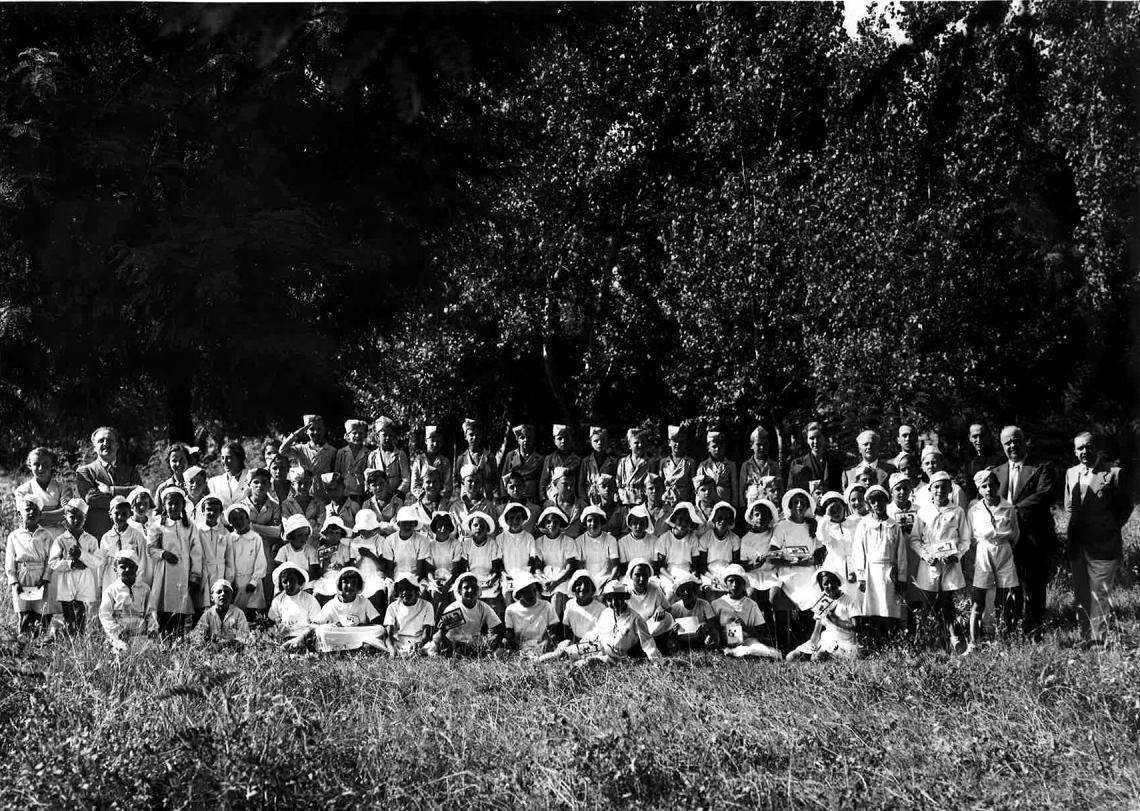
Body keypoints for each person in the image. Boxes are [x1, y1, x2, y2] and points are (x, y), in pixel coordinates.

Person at [1064, 432, 1132, 645]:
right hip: (1078, 545)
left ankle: (1098, 640)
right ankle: (1085, 637)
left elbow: (1125, 508)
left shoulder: (1114, 473)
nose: (1084, 452)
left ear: (1097, 448)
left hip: (1104, 545)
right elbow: (1068, 506)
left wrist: (1108, 528)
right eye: (1080, 448)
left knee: (1099, 594)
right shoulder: (1071, 473)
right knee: (1082, 593)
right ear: (1075, 451)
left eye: (1089, 447)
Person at [991, 426, 1056, 638]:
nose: (1013, 445)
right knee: (1011, 587)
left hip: (1035, 537)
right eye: (1008, 443)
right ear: (1002, 446)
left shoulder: (1041, 467)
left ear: (1024, 441)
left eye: (1016, 440)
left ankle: (1035, 632)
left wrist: (1012, 511)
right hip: (1007, 541)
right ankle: (1013, 630)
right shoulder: (996, 472)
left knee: (1036, 587)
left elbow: (1043, 495)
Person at [909, 471, 972, 651]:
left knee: (947, 601)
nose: (940, 491)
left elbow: (965, 539)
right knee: (929, 602)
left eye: (944, 487)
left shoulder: (957, 511)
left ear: (950, 489)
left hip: (949, 563)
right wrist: (926, 555)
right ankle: (930, 638)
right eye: (936, 487)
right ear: (930, 489)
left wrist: (957, 555)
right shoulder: (923, 512)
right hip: (929, 563)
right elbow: (915, 539)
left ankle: (954, 637)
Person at [539, 579, 661, 665]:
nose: (613, 603)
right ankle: (536, 661)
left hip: (615, 657)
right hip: (598, 646)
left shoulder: (636, 619)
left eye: (617, 598)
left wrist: (658, 663)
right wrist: (581, 644)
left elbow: (648, 644)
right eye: (610, 600)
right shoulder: (607, 613)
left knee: (582, 665)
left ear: (624, 598)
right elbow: (595, 631)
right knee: (565, 653)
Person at [967, 468, 1020, 650]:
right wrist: (984, 548)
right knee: (978, 599)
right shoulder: (974, 510)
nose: (988, 489)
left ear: (998, 486)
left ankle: (1001, 641)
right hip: (983, 551)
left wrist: (1003, 545)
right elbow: (971, 537)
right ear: (979, 489)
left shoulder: (1008, 507)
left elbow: (1015, 534)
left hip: (1004, 551)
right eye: (984, 486)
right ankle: (973, 643)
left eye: (992, 485)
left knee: (1004, 601)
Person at [851, 485, 907, 646]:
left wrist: (901, 577)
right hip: (871, 571)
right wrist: (861, 576)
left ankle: (890, 642)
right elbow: (858, 551)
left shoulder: (893, 525)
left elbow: (901, 553)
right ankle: (873, 643)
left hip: (889, 571)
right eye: (873, 501)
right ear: (868, 504)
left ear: (886, 501)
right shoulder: (864, 524)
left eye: (880, 500)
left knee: (889, 608)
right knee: (872, 608)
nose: (877, 505)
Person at [146, 485, 203, 637]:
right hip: (165, 571)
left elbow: (196, 552)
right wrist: (163, 553)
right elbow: (150, 549)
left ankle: (178, 640)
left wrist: (194, 575)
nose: (173, 506)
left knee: (180, 608)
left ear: (183, 505)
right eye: (169, 503)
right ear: (164, 505)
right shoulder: (158, 526)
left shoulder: (190, 526)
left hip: (183, 572)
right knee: (163, 607)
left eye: (177, 503)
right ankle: (164, 638)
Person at [76, 427, 143, 540]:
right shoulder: (85, 472)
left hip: (130, 534)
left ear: (117, 445)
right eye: (101, 441)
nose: (105, 443)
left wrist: (111, 490)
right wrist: (126, 498)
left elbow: (140, 494)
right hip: (99, 534)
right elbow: (92, 499)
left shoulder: (131, 471)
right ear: (94, 447)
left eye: (110, 440)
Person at [47, 498, 103, 635]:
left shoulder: (91, 540)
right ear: (66, 517)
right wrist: (71, 563)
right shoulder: (61, 540)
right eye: (72, 517)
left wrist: (82, 555)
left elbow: (98, 561)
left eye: (80, 517)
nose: (76, 521)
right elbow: (53, 562)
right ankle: (69, 641)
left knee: (81, 613)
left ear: (85, 517)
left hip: (84, 582)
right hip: (66, 582)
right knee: (69, 615)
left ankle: (80, 641)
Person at [710, 564, 782, 659]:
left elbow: (762, 632)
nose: (735, 585)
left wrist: (745, 627)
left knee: (766, 651)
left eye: (739, 582)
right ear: (726, 584)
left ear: (744, 586)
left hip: (748, 641)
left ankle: (741, 653)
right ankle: (732, 651)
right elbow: (713, 628)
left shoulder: (751, 604)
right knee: (730, 649)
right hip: (725, 641)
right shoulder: (717, 603)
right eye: (731, 581)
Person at [7, 494, 54, 636]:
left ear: (40, 514)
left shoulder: (46, 535)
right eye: (28, 509)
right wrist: (14, 581)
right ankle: (22, 640)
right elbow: (10, 562)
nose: (31, 512)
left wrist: (45, 578)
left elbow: (51, 560)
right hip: (23, 576)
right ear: (20, 512)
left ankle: (39, 640)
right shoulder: (14, 536)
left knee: (41, 610)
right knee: (23, 610)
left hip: (40, 577)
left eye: (35, 510)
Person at [787, 570, 859, 662]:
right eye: (826, 584)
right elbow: (817, 630)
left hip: (844, 642)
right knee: (791, 657)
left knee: (818, 657)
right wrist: (812, 645)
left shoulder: (849, 600)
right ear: (822, 587)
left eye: (832, 581)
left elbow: (855, 627)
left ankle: (828, 656)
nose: (830, 586)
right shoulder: (823, 602)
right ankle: (818, 655)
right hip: (826, 641)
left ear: (838, 582)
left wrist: (834, 619)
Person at [428, 572, 504, 657]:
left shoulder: (483, 607)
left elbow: (498, 628)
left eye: (474, 587)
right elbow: (439, 636)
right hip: (454, 645)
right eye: (466, 587)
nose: (470, 590)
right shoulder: (454, 609)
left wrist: (493, 638)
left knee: (502, 646)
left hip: (475, 645)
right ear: (460, 591)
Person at [312, 567, 386, 653]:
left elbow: (377, 622)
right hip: (339, 634)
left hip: (358, 633)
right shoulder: (332, 604)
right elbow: (314, 624)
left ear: (358, 586)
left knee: (379, 629)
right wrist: (334, 626)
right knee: (321, 631)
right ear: (339, 585)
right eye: (346, 582)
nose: (350, 586)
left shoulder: (364, 601)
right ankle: (357, 649)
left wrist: (359, 626)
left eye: (354, 583)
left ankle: (344, 650)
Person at [98, 550, 158, 653]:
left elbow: (151, 612)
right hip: (120, 636)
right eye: (122, 567)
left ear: (137, 568)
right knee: (122, 656)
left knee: (145, 657)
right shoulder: (111, 590)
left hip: (140, 634)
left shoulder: (144, 589)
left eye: (131, 567)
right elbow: (105, 615)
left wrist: (152, 629)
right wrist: (117, 631)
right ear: (115, 569)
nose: (127, 570)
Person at [225, 503, 268, 621]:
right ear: (230, 522)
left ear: (248, 519)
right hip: (237, 582)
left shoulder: (255, 537)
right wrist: (230, 581)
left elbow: (260, 561)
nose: (238, 521)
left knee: (253, 612)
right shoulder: (230, 538)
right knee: (237, 613)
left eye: (241, 518)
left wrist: (253, 581)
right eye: (234, 519)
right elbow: (229, 561)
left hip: (252, 582)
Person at [533, 506, 579, 617]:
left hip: (562, 576)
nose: (552, 525)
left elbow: (569, 567)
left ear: (560, 524)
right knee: (535, 591)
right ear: (544, 524)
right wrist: (542, 579)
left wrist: (556, 582)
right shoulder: (539, 542)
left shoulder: (568, 541)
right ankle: (540, 624)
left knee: (557, 595)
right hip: (545, 575)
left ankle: (554, 625)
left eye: (555, 522)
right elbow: (538, 567)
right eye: (548, 522)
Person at [15, 447, 70, 539]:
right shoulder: (22, 491)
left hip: (57, 536)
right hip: (32, 536)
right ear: (30, 466)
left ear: (52, 464)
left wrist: (37, 515)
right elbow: (25, 517)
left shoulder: (64, 489)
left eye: (45, 464)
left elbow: (68, 512)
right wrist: (57, 513)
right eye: (36, 464)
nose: (41, 469)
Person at [279, 415, 337, 498]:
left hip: (323, 496)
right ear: (306, 431)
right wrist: (297, 434)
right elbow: (282, 450)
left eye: (319, 428)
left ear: (324, 429)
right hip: (302, 493)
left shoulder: (332, 451)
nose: (316, 432)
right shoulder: (301, 449)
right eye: (312, 429)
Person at [100, 496, 148, 592]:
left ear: (130, 514)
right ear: (110, 514)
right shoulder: (106, 537)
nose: (120, 517)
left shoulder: (137, 536)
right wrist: (100, 584)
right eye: (116, 513)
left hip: (130, 577)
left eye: (124, 514)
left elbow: (143, 562)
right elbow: (102, 563)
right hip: (110, 578)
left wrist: (137, 582)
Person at [266, 562, 320, 648]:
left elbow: (316, 624)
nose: (288, 585)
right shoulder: (277, 600)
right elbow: (272, 621)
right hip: (284, 639)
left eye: (292, 581)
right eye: (285, 582)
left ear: (299, 580)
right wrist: (278, 630)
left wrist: (301, 638)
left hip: (304, 638)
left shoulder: (309, 599)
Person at [503, 572, 558, 654]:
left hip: (543, 648)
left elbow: (554, 630)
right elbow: (509, 634)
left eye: (534, 590)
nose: (532, 594)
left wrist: (546, 642)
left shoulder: (546, 605)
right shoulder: (511, 610)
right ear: (519, 593)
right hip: (521, 650)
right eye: (527, 591)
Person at [382, 573, 436, 656]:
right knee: (381, 645)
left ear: (416, 589)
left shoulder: (427, 606)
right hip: (398, 642)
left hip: (419, 642)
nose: (404, 592)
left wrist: (418, 646)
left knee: (433, 648)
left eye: (408, 589)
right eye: (401, 590)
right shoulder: (392, 607)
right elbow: (389, 635)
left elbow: (426, 635)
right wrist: (392, 650)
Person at [189, 579, 251, 648]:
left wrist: (229, 636)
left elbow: (246, 636)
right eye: (219, 592)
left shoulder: (238, 613)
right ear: (212, 597)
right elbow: (198, 635)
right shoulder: (208, 614)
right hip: (212, 653)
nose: (223, 594)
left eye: (227, 592)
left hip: (233, 652)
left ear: (232, 596)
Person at [655, 501, 702, 592]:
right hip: (668, 575)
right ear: (674, 519)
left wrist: (694, 576)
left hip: (686, 573)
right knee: (670, 592)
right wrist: (673, 579)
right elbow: (661, 567)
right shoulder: (664, 538)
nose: (683, 523)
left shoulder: (693, 539)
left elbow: (695, 566)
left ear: (691, 524)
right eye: (680, 519)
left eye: (687, 521)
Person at [787, 421, 844, 494]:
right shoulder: (798, 463)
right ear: (807, 440)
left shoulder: (835, 462)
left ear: (824, 438)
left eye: (819, 437)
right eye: (812, 438)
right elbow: (791, 492)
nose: (816, 441)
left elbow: (839, 489)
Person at [667, 572, 720, 650]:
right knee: (669, 641)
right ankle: (678, 651)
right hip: (682, 641)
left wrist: (705, 626)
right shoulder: (675, 608)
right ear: (678, 594)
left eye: (689, 589)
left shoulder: (704, 604)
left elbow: (712, 622)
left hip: (700, 639)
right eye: (682, 590)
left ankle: (710, 649)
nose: (686, 593)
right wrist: (674, 628)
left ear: (695, 590)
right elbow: (669, 628)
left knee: (714, 633)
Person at [498, 503, 537, 604]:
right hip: (508, 575)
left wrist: (525, 574)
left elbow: (532, 559)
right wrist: (504, 574)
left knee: (529, 596)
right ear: (506, 520)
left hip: (525, 575)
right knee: (507, 594)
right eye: (511, 518)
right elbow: (498, 561)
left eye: (518, 518)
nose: (515, 521)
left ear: (523, 519)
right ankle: (509, 618)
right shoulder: (500, 538)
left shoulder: (529, 537)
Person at [452, 419, 499, 500]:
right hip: (467, 501)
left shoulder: (489, 457)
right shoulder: (461, 459)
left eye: (477, 435)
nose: (474, 438)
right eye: (471, 435)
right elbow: (457, 481)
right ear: (465, 436)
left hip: (486, 501)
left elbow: (495, 480)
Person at [367, 417, 412, 501]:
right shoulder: (373, 456)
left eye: (390, 435)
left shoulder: (399, 455)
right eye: (384, 435)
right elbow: (369, 478)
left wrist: (398, 494)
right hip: (378, 498)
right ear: (377, 436)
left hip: (395, 497)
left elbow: (406, 479)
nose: (387, 438)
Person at [578, 505, 620, 590]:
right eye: (589, 521)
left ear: (601, 522)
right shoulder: (579, 541)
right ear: (585, 523)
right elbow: (579, 568)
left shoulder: (611, 539)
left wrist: (607, 583)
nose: (593, 524)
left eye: (596, 520)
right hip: (587, 581)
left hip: (606, 580)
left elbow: (616, 567)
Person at [500, 424, 544, 504]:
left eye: (529, 438)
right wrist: (503, 497)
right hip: (513, 496)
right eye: (522, 438)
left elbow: (541, 481)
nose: (526, 440)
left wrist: (541, 499)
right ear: (517, 439)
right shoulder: (511, 455)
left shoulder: (539, 459)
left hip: (531, 498)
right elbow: (504, 477)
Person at [696, 429, 739, 508]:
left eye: (720, 446)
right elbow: (698, 487)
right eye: (714, 446)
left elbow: (734, 488)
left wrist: (734, 505)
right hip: (708, 504)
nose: (717, 449)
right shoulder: (703, 465)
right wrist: (699, 506)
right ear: (708, 448)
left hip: (725, 502)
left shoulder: (731, 465)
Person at [740, 426, 781, 508]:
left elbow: (779, 488)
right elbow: (741, 488)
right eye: (758, 445)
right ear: (751, 445)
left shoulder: (774, 465)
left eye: (765, 445)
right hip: (751, 505)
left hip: (769, 505)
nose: (762, 448)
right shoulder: (746, 465)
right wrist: (742, 506)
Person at [560, 570, 605, 642]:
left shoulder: (602, 609)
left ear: (592, 590)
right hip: (574, 643)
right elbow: (566, 627)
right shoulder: (570, 604)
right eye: (579, 584)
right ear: (573, 588)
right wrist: (575, 640)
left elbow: (602, 633)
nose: (583, 587)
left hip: (594, 644)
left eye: (587, 584)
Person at [539, 425, 581, 501]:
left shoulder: (577, 460)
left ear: (572, 440)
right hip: (553, 499)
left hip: (571, 499)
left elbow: (579, 483)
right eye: (559, 438)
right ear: (554, 441)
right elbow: (543, 482)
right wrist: (543, 499)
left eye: (567, 438)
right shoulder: (550, 459)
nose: (563, 441)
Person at [411, 425, 452, 501]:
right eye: (432, 440)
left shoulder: (445, 462)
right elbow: (414, 486)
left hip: (440, 501)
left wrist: (439, 499)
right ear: (426, 441)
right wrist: (424, 498)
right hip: (422, 501)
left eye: (438, 441)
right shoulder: (419, 460)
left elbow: (447, 486)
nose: (435, 444)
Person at [276, 514, 320, 583]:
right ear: (292, 536)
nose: (304, 538)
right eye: (300, 535)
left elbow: (312, 574)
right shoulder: (284, 550)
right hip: (288, 582)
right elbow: (280, 572)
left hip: (306, 582)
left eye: (306, 535)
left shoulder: (311, 550)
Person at [963, 422, 1001, 501]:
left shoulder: (1000, 458)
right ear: (969, 438)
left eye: (982, 436)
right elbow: (970, 493)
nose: (979, 440)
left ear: (988, 436)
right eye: (975, 436)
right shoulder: (970, 464)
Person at [660, 425, 697, 507]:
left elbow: (693, 486)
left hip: (683, 500)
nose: (678, 444)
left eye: (681, 442)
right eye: (675, 441)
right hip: (668, 500)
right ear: (669, 443)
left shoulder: (690, 462)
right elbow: (660, 484)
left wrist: (691, 504)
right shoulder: (663, 462)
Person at [579, 426, 618, 504]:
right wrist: (584, 500)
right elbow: (581, 483)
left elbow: (616, 483)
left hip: (607, 500)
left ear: (607, 442)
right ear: (591, 442)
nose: (599, 443)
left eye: (603, 441)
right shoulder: (586, 461)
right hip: (590, 500)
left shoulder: (613, 462)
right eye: (596, 441)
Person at [616, 428, 655, 506]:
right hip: (626, 499)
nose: (640, 445)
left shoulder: (650, 462)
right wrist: (621, 494)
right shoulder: (623, 461)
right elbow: (618, 482)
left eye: (643, 443)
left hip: (642, 500)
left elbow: (653, 482)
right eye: (636, 443)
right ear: (629, 445)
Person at [280, 468, 325, 536]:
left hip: (314, 544)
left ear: (311, 484)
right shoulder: (287, 504)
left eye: (306, 483)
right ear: (293, 485)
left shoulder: (318, 504)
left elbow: (321, 528)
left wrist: (297, 524)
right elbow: (288, 527)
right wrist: (312, 522)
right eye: (299, 483)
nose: (303, 486)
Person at [543, 465, 585, 538]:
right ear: (555, 484)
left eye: (572, 484)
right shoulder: (548, 505)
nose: (569, 487)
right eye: (565, 484)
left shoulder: (581, 506)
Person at [336, 419, 371, 502]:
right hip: (344, 492)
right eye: (354, 433)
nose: (357, 436)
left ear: (365, 435)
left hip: (360, 492)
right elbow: (337, 473)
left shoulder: (368, 453)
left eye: (361, 433)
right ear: (348, 435)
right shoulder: (341, 452)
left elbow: (369, 474)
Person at [207, 441, 250, 508]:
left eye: (229, 458)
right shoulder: (214, 482)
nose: (224, 461)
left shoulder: (251, 478)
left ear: (239, 458)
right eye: (223, 458)